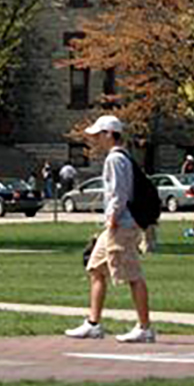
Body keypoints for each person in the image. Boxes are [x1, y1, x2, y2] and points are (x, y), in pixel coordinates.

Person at [64, 115, 154, 344]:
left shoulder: (115, 159)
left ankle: (145, 327)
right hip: (117, 224)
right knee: (95, 267)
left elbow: (119, 192)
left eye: (97, 135)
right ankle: (93, 323)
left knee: (132, 274)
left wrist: (112, 219)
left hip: (122, 224)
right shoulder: (121, 158)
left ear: (108, 134)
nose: (94, 140)